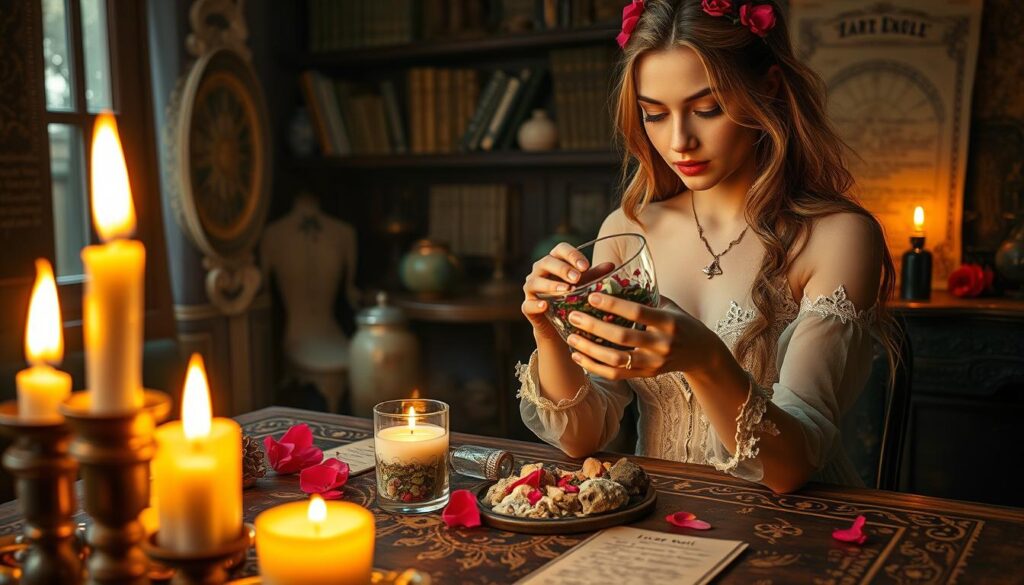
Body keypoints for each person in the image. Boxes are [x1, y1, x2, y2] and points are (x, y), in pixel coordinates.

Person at [517, 0, 898, 493]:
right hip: (656, 521)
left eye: (707, 109)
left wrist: (705, 360)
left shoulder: (836, 237)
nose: (679, 141)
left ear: (769, 89)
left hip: (792, 528)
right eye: (653, 114)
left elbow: (792, 468)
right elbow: (582, 438)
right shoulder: (629, 228)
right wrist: (549, 329)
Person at [261, 192, 359, 412]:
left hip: (331, 330)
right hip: (297, 332)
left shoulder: (345, 233)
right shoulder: (273, 234)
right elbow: (263, 295)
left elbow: (351, 292)